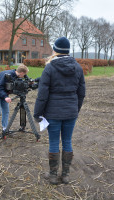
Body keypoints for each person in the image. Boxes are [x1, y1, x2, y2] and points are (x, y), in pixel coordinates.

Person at [34, 37, 85, 185]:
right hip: (71, 112)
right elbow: (81, 93)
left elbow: (42, 95)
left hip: (53, 113)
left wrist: (37, 113)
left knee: (54, 142)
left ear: (55, 50)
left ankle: (53, 176)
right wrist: (76, 109)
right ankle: (66, 175)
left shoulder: (49, 68)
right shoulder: (78, 67)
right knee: (67, 141)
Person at [0, 64, 29, 139]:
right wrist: (5, 97)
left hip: (4, 94)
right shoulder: (6, 75)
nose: (24, 76)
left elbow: (12, 87)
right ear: (22, 73)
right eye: (25, 74)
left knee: (6, 111)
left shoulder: (16, 76)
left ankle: (5, 128)